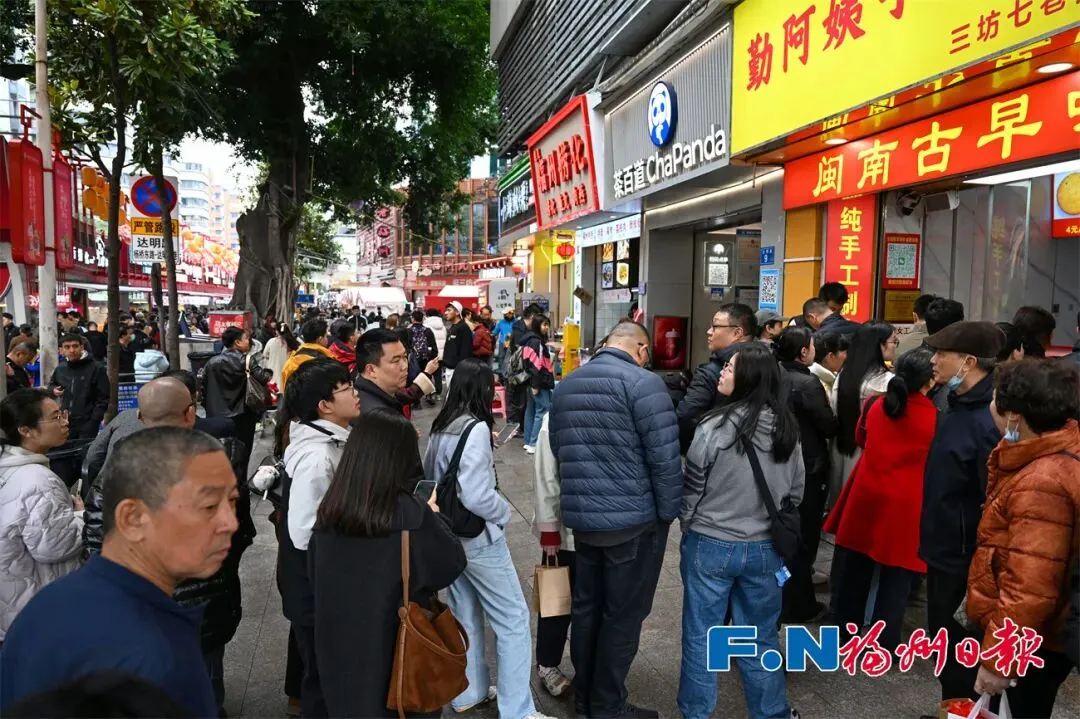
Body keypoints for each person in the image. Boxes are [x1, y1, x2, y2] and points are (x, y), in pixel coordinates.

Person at [0, 428, 236, 717]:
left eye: (233, 501)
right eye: (209, 506)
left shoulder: (50, 603)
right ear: (132, 518)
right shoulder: (150, 659)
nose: (230, 523)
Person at [82, 377, 250, 714]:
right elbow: (235, 532)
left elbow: (96, 540)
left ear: (140, 417)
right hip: (202, 605)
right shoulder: (221, 459)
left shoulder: (118, 465)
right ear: (190, 413)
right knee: (204, 685)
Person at [549, 321, 683, 718]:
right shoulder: (644, 384)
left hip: (584, 521)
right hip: (632, 523)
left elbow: (558, 447)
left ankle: (586, 698)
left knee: (587, 609)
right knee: (622, 616)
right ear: (640, 349)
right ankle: (608, 705)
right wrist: (668, 514)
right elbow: (665, 459)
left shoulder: (567, 385)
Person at [309, 409, 466, 718]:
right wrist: (433, 516)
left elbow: (314, 577)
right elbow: (451, 563)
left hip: (339, 655)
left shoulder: (330, 511)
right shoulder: (412, 515)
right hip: (401, 657)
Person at [678, 342, 804, 719]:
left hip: (711, 543)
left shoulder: (713, 426)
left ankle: (696, 713)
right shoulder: (787, 430)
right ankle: (772, 713)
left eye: (730, 368)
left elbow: (693, 487)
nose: (722, 372)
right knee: (759, 636)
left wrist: (688, 523)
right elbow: (796, 493)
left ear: (748, 377)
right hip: (766, 550)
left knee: (702, 636)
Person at [423, 359, 550, 719]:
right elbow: (476, 495)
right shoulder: (475, 428)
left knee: (464, 612)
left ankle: (469, 692)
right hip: (478, 538)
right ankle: (518, 710)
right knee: (512, 618)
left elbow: (434, 476)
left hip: (448, 535)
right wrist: (503, 512)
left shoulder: (441, 424)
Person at [961, 359, 1080, 716]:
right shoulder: (1056, 452)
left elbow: (1030, 585)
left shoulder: (1041, 482)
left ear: (1016, 416)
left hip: (1033, 638)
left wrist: (1000, 660)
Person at [825, 347, 937, 651]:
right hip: (906, 503)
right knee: (896, 578)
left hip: (866, 493)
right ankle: (883, 643)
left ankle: (844, 630)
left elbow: (861, 439)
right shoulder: (935, 418)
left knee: (855, 567)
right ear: (930, 381)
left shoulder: (876, 404)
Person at [919, 321, 1003, 703]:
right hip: (942, 550)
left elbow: (993, 501)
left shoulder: (987, 420)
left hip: (963, 560)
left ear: (968, 362)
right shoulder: (955, 404)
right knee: (944, 649)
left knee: (959, 656)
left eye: (941, 354)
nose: (933, 361)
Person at [279, 359, 360, 719]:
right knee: (323, 682)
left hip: (320, 586)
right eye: (346, 388)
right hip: (315, 590)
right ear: (324, 405)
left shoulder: (331, 441)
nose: (355, 393)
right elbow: (305, 533)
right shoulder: (317, 456)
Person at [0, 389, 83, 641]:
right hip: (35, 608)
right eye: (55, 417)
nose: (65, 422)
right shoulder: (38, 480)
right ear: (25, 430)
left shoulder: (9, 466)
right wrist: (82, 516)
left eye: (63, 414)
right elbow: (54, 545)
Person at [775, 327, 836, 622]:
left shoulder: (773, 375)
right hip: (808, 465)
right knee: (805, 537)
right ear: (803, 352)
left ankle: (780, 597)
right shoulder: (808, 383)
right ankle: (799, 605)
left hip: (778, 461)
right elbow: (827, 424)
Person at [828, 321, 896, 506]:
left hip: (842, 450)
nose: (895, 346)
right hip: (870, 454)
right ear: (880, 345)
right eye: (893, 342)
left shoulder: (843, 375)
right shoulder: (886, 381)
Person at [676, 303, 756, 452]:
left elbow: (687, 416)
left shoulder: (711, 372)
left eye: (715, 326)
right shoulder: (773, 366)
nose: (709, 332)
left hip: (715, 452)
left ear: (738, 333)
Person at [533, 411, 574, 697]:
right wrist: (549, 528)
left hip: (605, 531)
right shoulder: (556, 416)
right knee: (556, 602)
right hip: (565, 533)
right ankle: (547, 663)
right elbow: (546, 474)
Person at [201, 327, 271, 474]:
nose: (249, 342)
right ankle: (240, 483)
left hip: (216, 417)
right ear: (237, 342)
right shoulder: (246, 360)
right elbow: (263, 378)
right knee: (242, 455)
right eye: (246, 339)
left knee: (220, 454)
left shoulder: (211, 362)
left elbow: (203, 389)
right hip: (243, 416)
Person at [354, 328, 439, 416]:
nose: (405, 366)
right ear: (371, 370)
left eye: (405, 357)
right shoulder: (380, 416)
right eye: (396, 361)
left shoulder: (370, 395)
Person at [48, 333, 109, 441]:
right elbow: (52, 384)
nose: (72, 350)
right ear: (61, 350)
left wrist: (94, 421)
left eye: (75, 346)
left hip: (87, 422)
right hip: (65, 422)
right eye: (67, 347)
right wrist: (53, 390)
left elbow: (103, 398)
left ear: (82, 347)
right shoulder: (60, 369)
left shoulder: (96, 368)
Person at [521, 314, 555, 455]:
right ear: (537, 325)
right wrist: (536, 385)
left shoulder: (528, 340)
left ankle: (528, 441)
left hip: (529, 381)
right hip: (539, 382)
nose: (546, 327)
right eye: (544, 324)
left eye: (547, 324)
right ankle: (534, 443)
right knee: (543, 411)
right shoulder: (538, 342)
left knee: (530, 411)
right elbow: (537, 365)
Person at [508, 304, 541, 429]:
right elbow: (519, 352)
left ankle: (520, 426)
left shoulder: (525, 328)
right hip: (518, 370)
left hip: (524, 370)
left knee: (522, 399)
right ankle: (514, 426)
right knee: (517, 399)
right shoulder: (519, 330)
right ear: (532, 316)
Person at [280, 319, 334, 388]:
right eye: (326, 336)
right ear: (320, 339)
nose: (327, 339)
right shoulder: (325, 361)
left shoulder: (290, 362)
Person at [441, 302, 473, 389]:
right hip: (449, 369)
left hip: (457, 370)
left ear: (457, 312)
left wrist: (462, 371)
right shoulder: (453, 327)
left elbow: (466, 351)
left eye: (449, 310)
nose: (446, 313)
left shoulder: (463, 328)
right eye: (446, 310)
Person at [809, 330, 849, 396]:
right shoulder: (814, 384)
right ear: (831, 356)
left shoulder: (831, 376)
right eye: (846, 352)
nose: (848, 356)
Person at [263, 322, 300, 389]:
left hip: (272, 372)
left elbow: (264, 355)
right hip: (286, 373)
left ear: (277, 331)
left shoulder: (271, 341)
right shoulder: (291, 343)